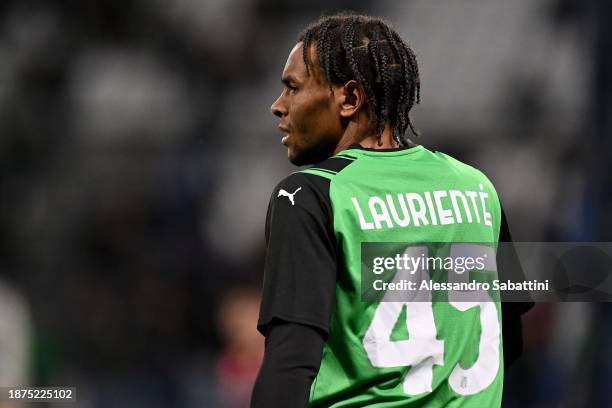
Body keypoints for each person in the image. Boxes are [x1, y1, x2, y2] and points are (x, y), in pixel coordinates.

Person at [251, 12, 532, 408]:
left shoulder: (309, 195)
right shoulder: (477, 187)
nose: (278, 106)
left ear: (349, 98)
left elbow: (291, 361)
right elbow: (510, 341)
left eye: (292, 88)